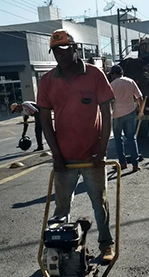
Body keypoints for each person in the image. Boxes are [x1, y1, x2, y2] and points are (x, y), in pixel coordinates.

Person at [37, 29, 116, 263]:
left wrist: (102, 151)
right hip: (64, 157)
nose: (60, 54)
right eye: (55, 50)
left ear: (74, 48)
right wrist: (56, 155)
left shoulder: (94, 74)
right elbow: (44, 119)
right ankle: (56, 249)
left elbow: (107, 114)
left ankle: (106, 244)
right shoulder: (47, 81)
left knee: (99, 203)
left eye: (64, 49)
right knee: (61, 207)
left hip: (92, 156)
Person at [109, 65, 143, 172]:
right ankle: (135, 164)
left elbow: (109, 101)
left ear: (114, 74)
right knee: (131, 138)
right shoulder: (130, 81)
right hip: (130, 113)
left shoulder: (111, 85)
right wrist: (141, 111)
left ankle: (122, 163)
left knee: (118, 140)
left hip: (117, 115)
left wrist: (110, 113)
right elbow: (139, 97)